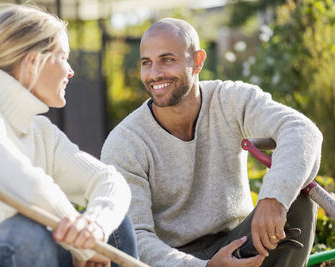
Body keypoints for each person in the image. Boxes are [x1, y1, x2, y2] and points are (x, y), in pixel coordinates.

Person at [101, 17, 322, 267]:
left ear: (197, 61)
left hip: (239, 243)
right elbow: (136, 240)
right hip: (171, 259)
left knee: (298, 199)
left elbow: (302, 130)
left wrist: (274, 198)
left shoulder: (229, 99)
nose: (154, 74)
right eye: (146, 63)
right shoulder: (125, 142)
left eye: (167, 59)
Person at [0, 4, 137, 267]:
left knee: (113, 223)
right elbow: (28, 189)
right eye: (63, 56)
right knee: (26, 231)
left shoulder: (41, 133)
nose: (70, 70)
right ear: (33, 61)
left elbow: (109, 180)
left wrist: (95, 228)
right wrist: (86, 247)